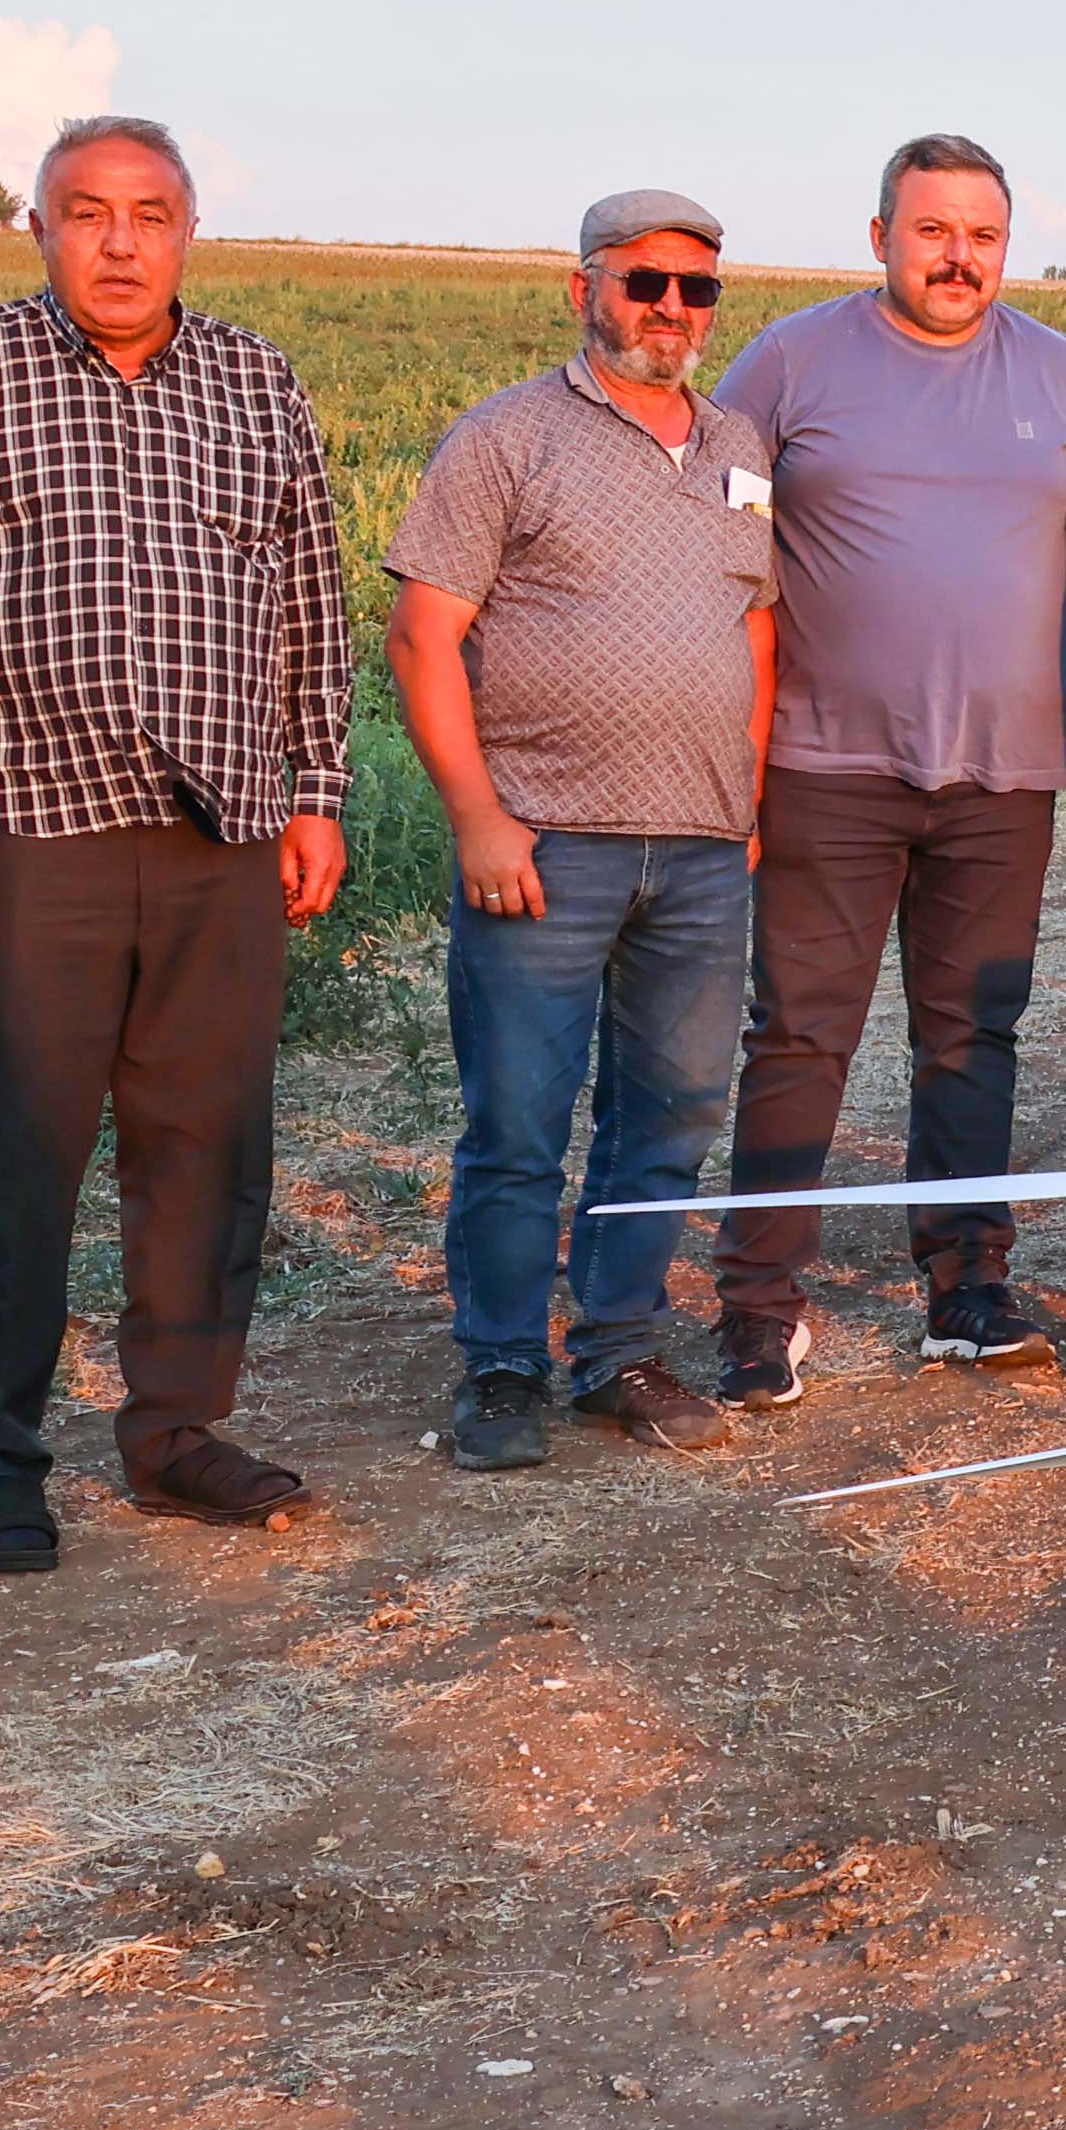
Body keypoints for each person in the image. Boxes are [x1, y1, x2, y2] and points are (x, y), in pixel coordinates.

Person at [0, 116, 352, 1567]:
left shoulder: (257, 382)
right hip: (29, 827)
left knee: (206, 1145)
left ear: (189, 232)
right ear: (41, 230)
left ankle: (177, 1433)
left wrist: (318, 788)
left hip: (221, 828)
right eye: (87, 213)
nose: (120, 242)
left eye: (149, 214)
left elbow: (308, 600)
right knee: (16, 1156)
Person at [705, 131, 1066, 1385]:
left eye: (982, 235)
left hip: (1004, 770)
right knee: (799, 1035)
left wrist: (1013, 607)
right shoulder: (791, 362)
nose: (958, 256)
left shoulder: (1063, 378)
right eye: (932, 230)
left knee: (974, 1034)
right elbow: (718, 530)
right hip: (826, 763)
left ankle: (966, 1287)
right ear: (881, 236)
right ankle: (759, 1305)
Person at [391, 191, 782, 1467]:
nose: (670, 307)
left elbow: (756, 628)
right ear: (584, 290)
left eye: (695, 288)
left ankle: (618, 1352)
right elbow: (424, 637)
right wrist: (477, 817)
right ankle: (501, 1365)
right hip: (545, 842)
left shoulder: (737, 445)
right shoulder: (508, 437)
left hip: (703, 847)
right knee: (519, 1121)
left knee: (670, 1113)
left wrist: (746, 792)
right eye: (642, 281)